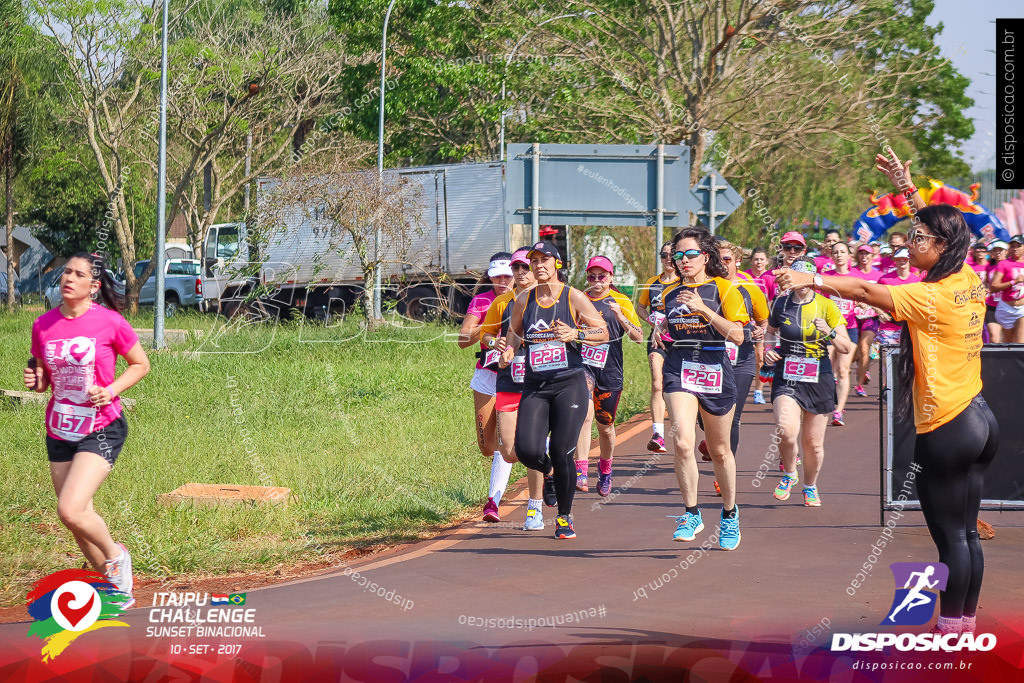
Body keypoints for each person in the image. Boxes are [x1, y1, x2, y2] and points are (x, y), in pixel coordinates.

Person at [775, 146, 999, 636]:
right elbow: (945, 231)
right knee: (965, 536)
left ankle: (950, 633)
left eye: (918, 238)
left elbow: (861, 290)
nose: (910, 242)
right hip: (980, 420)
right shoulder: (965, 276)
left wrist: (810, 276)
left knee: (952, 542)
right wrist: (906, 189)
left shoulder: (928, 295)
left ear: (939, 248)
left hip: (948, 425)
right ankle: (961, 625)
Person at [24, 252, 150, 607]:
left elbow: (141, 364)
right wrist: (35, 380)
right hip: (60, 426)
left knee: (70, 509)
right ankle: (111, 589)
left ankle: (116, 556)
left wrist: (110, 390)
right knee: (77, 519)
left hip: (102, 426)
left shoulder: (110, 323)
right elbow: (42, 377)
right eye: (66, 272)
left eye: (79, 274)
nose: (69, 278)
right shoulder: (43, 325)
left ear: (93, 287)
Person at [499, 241, 608, 539]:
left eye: (544, 259)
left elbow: (603, 331)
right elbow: (515, 332)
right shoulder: (524, 299)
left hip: (568, 384)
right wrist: (508, 350)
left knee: (562, 451)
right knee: (526, 450)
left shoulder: (573, 296)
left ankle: (564, 517)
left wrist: (577, 333)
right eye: (533, 260)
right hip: (536, 384)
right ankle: (547, 474)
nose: (538, 265)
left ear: (557, 263)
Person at [654, 227, 746, 550]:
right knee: (681, 441)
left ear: (705, 257)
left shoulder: (724, 288)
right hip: (679, 367)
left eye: (689, 254)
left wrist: (703, 309)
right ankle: (691, 512)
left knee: (720, 451)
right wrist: (662, 328)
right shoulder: (668, 294)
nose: (682, 261)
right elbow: (671, 323)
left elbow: (737, 336)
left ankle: (730, 514)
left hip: (714, 368)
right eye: (677, 256)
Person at [765, 256, 851, 507]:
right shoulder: (780, 303)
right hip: (787, 373)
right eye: (796, 277)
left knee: (812, 444)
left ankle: (810, 486)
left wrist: (830, 332)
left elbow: (845, 347)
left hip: (819, 375)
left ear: (813, 280)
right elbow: (771, 333)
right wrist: (769, 349)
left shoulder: (827, 306)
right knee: (786, 429)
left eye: (805, 279)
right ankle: (790, 473)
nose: (800, 283)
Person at [698, 240, 768, 498]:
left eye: (727, 259)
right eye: (718, 259)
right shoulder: (706, 287)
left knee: (733, 417)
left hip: (742, 359)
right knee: (703, 415)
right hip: (709, 359)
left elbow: (762, 319)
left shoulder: (751, 288)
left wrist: (760, 336)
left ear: (737, 260)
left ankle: (723, 472)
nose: (723, 264)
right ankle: (711, 439)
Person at [479, 248, 540, 526]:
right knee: (506, 448)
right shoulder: (502, 302)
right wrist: (496, 344)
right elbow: (486, 334)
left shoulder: (551, 299)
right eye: (516, 268)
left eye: (525, 267)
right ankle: (544, 457)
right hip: (510, 379)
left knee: (533, 441)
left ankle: (523, 504)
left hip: (542, 381)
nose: (520, 273)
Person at [575, 256, 644, 496]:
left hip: (610, 370)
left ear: (611, 277)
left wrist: (621, 317)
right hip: (583, 365)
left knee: (605, 427)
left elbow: (638, 336)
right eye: (592, 276)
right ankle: (580, 470)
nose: (596, 281)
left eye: (601, 276)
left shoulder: (621, 301)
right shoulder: (579, 300)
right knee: (584, 414)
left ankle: (605, 469)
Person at [457, 252, 514, 474]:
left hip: (516, 374)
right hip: (487, 374)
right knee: (487, 447)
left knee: (510, 439)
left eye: (507, 276)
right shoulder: (481, 301)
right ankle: (503, 463)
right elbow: (463, 340)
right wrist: (489, 323)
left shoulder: (524, 298)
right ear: (490, 278)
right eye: (497, 277)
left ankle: (499, 485)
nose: (503, 282)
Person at [636, 241, 679, 453]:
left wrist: (670, 324)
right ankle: (658, 434)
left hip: (681, 341)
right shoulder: (652, 283)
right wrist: (654, 324)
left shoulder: (684, 282)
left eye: (673, 255)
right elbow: (639, 308)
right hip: (658, 340)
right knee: (656, 381)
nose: (668, 259)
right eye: (664, 255)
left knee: (680, 387)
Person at [847, 245, 882, 396]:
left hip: (870, 317)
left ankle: (859, 384)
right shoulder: (852, 273)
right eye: (861, 253)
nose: (864, 257)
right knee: (852, 351)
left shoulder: (878, 275)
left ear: (872, 256)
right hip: (852, 316)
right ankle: (860, 366)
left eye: (867, 254)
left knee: (863, 348)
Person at [744, 246, 773, 404]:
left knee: (760, 356)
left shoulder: (769, 277)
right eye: (756, 259)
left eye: (762, 259)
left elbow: (771, 300)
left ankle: (758, 391)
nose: (759, 262)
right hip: (745, 321)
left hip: (763, 322)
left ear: (767, 261)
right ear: (751, 261)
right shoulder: (745, 276)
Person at [876, 248, 920, 346]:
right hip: (888, 327)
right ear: (894, 260)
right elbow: (871, 298)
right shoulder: (884, 280)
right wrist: (880, 312)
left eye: (905, 258)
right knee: (888, 360)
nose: (902, 260)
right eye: (899, 258)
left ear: (910, 259)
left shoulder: (917, 281)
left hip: (910, 328)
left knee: (908, 360)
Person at [988, 236, 1024, 343]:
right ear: (1009, 249)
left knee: (1020, 343)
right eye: (1012, 246)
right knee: (1008, 343)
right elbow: (993, 287)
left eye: (1018, 246)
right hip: (1006, 308)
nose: (1015, 249)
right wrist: (1013, 282)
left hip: (1022, 309)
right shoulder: (1004, 264)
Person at [984, 241, 1007, 343]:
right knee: (994, 337)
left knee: (1008, 339)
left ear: (1006, 252)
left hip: (1008, 306)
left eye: (1000, 250)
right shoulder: (988, 267)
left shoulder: (1012, 265)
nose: (998, 253)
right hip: (992, 306)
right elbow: (986, 284)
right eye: (995, 250)